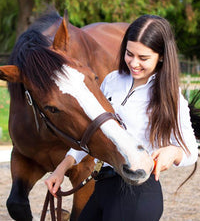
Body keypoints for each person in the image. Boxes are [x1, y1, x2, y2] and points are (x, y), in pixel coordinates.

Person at [45, 15, 198, 221]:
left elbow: (191, 151)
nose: (134, 63)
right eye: (129, 54)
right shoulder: (112, 80)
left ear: (161, 56)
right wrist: (61, 168)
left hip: (138, 191)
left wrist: (174, 152)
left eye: (143, 58)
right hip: (102, 186)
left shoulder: (169, 96)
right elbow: (92, 130)